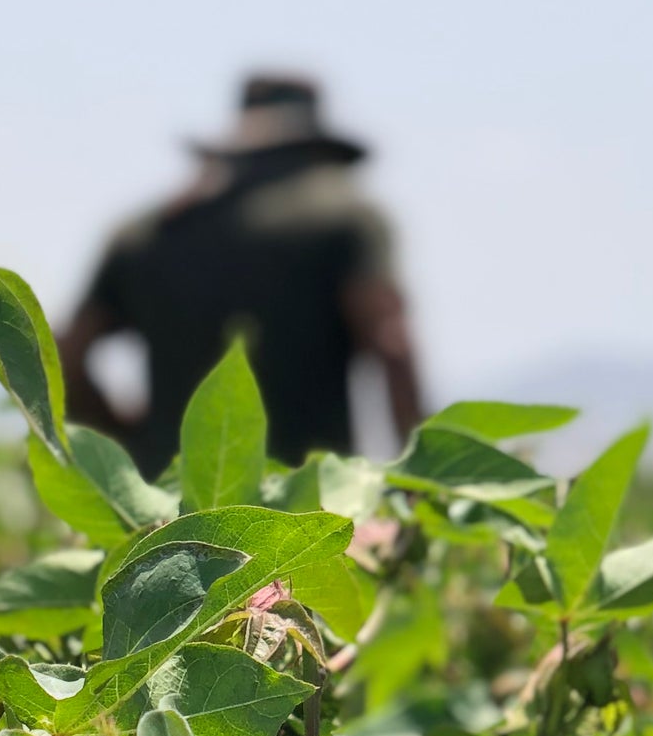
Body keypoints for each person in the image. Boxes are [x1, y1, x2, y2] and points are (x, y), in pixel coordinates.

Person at [59, 73, 423, 475]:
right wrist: (420, 477)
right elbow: (391, 343)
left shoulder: (148, 232)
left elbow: (67, 353)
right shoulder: (347, 216)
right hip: (308, 505)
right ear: (314, 144)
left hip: (170, 510)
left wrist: (128, 437)